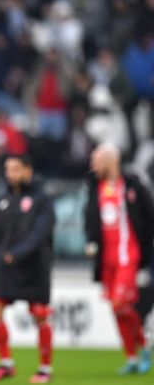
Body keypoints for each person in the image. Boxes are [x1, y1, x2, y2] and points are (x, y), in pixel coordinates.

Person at [0, 155, 55, 384]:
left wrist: (18, 253)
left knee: (39, 315)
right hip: (6, 265)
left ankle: (45, 368)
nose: (11, 174)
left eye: (15, 169)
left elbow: (40, 234)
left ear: (28, 170)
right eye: (8, 169)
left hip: (33, 266)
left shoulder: (42, 199)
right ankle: (5, 364)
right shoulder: (3, 198)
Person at [85, 143, 154, 375]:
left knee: (120, 303)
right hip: (107, 260)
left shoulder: (132, 185)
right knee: (115, 309)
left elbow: (148, 216)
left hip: (128, 256)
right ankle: (131, 357)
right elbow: (90, 219)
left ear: (109, 161)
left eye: (96, 161)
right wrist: (90, 242)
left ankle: (144, 346)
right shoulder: (95, 188)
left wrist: (146, 250)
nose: (93, 166)